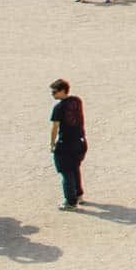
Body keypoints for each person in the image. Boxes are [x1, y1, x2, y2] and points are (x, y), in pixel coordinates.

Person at [49, 79, 87, 210]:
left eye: (55, 92)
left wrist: (52, 144)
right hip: (80, 141)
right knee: (75, 168)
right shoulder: (77, 101)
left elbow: (55, 127)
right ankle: (78, 195)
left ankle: (70, 201)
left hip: (66, 144)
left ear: (63, 91)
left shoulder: (58, 108)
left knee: (66, 172)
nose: (53, 94)